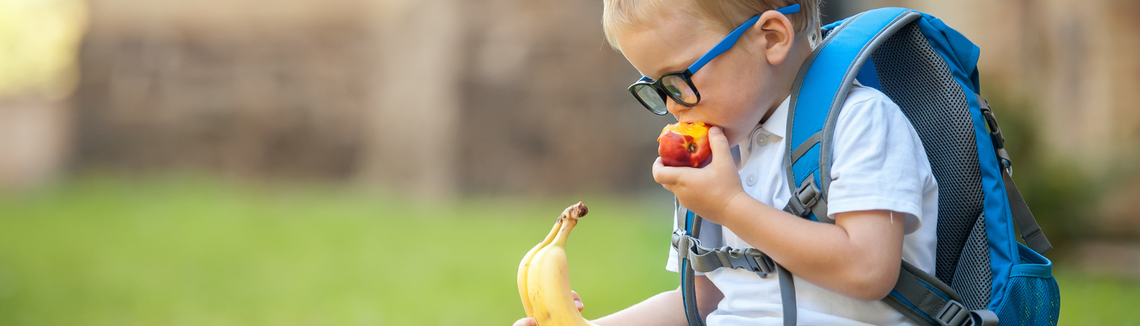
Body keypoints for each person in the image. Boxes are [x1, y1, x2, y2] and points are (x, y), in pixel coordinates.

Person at [514, 0, 938, 325]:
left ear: (771, 38)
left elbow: (868, 270)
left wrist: (731, 206)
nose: (672, 105)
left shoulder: (861, 122)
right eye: (656, 87)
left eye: (680, 78)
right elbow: (703, 299)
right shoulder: (719, 153)